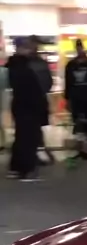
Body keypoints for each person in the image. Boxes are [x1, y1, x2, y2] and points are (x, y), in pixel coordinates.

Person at [6, 38, 44, 181]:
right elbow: (30, 89)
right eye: (28, 47)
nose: (31, 50)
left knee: (21, 137)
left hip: (21, 105)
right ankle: (27, 170)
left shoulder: (15, 65)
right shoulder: (22, 66)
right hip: (28, 106)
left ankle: (16, 168)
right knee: (29, 138)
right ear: (20, 48)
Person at [28, 35, 54, 164]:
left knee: (34, 128)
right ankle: (37, 153)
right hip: (34, 99)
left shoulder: (28, 62)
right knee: (34, 128)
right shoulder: (38, 63)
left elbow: (48, 82)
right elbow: (48, 82)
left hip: (33, 100)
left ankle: (37, 153)